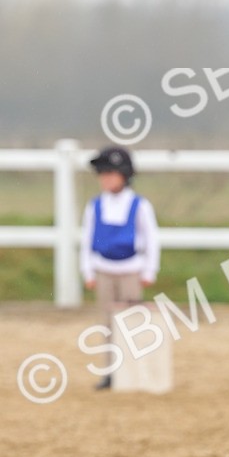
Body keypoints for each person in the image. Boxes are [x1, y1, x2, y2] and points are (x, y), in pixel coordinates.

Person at [80, 146, 160, 389]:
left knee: (131, 322)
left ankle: (132, 370)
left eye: (111, 174)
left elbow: (151, 238)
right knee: (106, 323)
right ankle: (110, 372)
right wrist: (88, 270)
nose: (106, 179)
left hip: (130, 271)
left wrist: (149, 270)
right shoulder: (94, 206)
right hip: (103, 270)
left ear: (125, 175)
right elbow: (86, 240)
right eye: (103, 174)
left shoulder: (139, 205)